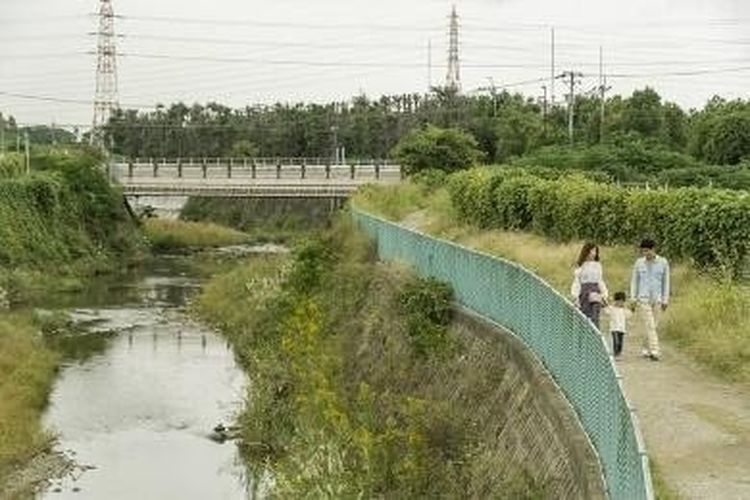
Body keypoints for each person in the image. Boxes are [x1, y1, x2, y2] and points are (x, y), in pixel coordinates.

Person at [630, 238, 670, 361]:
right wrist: (633, 298)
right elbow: (634, 281)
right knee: (650, 325)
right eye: (643, 251)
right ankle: (655, 350)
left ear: (653, 249)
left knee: (653, 326)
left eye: (647, 251)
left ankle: (645, 348)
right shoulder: (639, 263)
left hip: (657, 299)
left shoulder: (663, 262)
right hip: (643, 298)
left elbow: (666, 282)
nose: (645, 254)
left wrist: (665, 299)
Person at [571, 242, 609, 328]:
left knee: (595, 316)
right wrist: (575, 296)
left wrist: (605, 294)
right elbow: (577, 282)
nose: (594, 253)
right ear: (587, 252)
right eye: (592, 251)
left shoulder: (598, 265)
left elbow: (600, 281)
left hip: (595, 292)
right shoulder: (580, 266)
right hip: (584, 292)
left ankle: (595, 336)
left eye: (595, 251)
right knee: (585, 316)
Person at [603, 291, 632, 359]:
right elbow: (606, 311)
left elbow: (629, 314)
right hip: (614, 328)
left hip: (621, 329)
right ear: (615, 301)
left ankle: (619, 353)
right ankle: (615, 353)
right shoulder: (612, 308)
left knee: (620, 342)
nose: (620, 303)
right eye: (618, 301)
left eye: (622, 302)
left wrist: (633, 308)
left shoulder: (624, 310)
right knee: (616, 341)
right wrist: (604, 303)